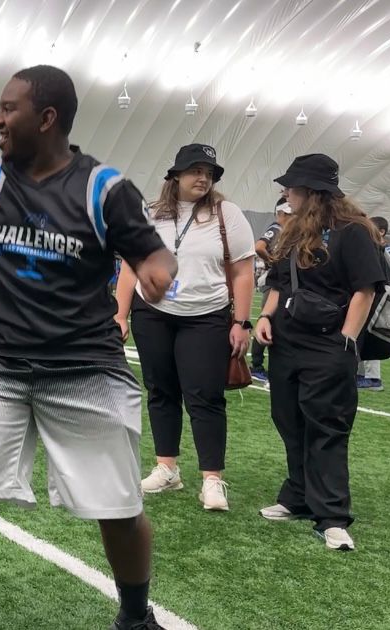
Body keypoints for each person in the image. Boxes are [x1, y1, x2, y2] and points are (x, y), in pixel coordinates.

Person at [0, 65, 176, 630]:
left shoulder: (104, 186)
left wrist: (155, 271)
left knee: (120, 508)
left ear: (46, 118)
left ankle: (135, 617)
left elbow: (152, 253)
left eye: (9, 109)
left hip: (86, 364)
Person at [254, 154, 385, 552]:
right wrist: (264, 317)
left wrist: (347, 338)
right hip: (286, 343)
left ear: (311, 192)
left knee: (327, 428)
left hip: (330, 344)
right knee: (289, 420)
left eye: (291, 189)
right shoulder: (291, 230)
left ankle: (331, 515)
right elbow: (278, 283)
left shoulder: (353, 231)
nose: (285, 194)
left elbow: (366, 289)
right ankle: (297, 496)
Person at [114, 144, 254, 512]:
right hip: (153, 312)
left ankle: (212, 479)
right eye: (194, 170)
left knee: (205, 396)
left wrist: (241, 321)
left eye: (208, 172)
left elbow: (242, 271)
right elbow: (131, 266)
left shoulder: (228, 214)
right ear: (174, 176)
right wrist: (119, 313)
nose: (202, 177)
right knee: (160, 391)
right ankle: (167, 469)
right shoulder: (149, 213)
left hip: (206, 315)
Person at [251, 198, 294, 381]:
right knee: (267, 320)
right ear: (282, 214)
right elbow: (259, 247)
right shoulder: (277, 228)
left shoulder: (290, 232)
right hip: (274, 283)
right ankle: (257, 365)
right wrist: (272, 262)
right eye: (290, 215)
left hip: (282, 282)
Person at [356, 216, 390, 391]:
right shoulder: (372, 248)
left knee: (373, 334)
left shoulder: (386, 250)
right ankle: (359, 373)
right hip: (373, 295)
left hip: (381, 298)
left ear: (381, 231)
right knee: (360, 335)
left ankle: (373, 378)